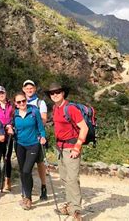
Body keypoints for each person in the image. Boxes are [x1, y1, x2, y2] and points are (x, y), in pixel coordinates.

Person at [47, 83, 88, 221]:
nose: (55, 94)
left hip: (71, 147)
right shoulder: (55, 108)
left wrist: (77, 146)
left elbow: (84, 128)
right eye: (52, 93)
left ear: (63, 93)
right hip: (60, 147)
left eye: (58, 92)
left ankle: (76, 211)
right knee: (64, 178)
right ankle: (70, 206)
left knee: (72, 179)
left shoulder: (70, 108)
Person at [13, 91, 46, 210]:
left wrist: (43, 136)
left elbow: (41, 128)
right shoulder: (15, 114)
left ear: (26, 100)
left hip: (33, 144)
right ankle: (27, 196)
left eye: (23, 100)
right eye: (19, 102)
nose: (22, 103)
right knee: (22, 171)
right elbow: (11, 126)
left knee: (27, 170)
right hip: (19, 145)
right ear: (15, 104)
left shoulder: (34, 111)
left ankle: (28, 198)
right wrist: (9, 129)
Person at [22, 79, 48, 200]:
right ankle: (27, 189)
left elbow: (43, 119)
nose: (29, 90)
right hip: (25, 138)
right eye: (26, 88)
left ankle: (43, 186)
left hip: (37, 137)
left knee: (40, 162)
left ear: (35, 88)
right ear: (23, 90)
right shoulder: (21, 102)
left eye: (31, 87)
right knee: (26, 165)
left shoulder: (40, 103)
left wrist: (32, 120)